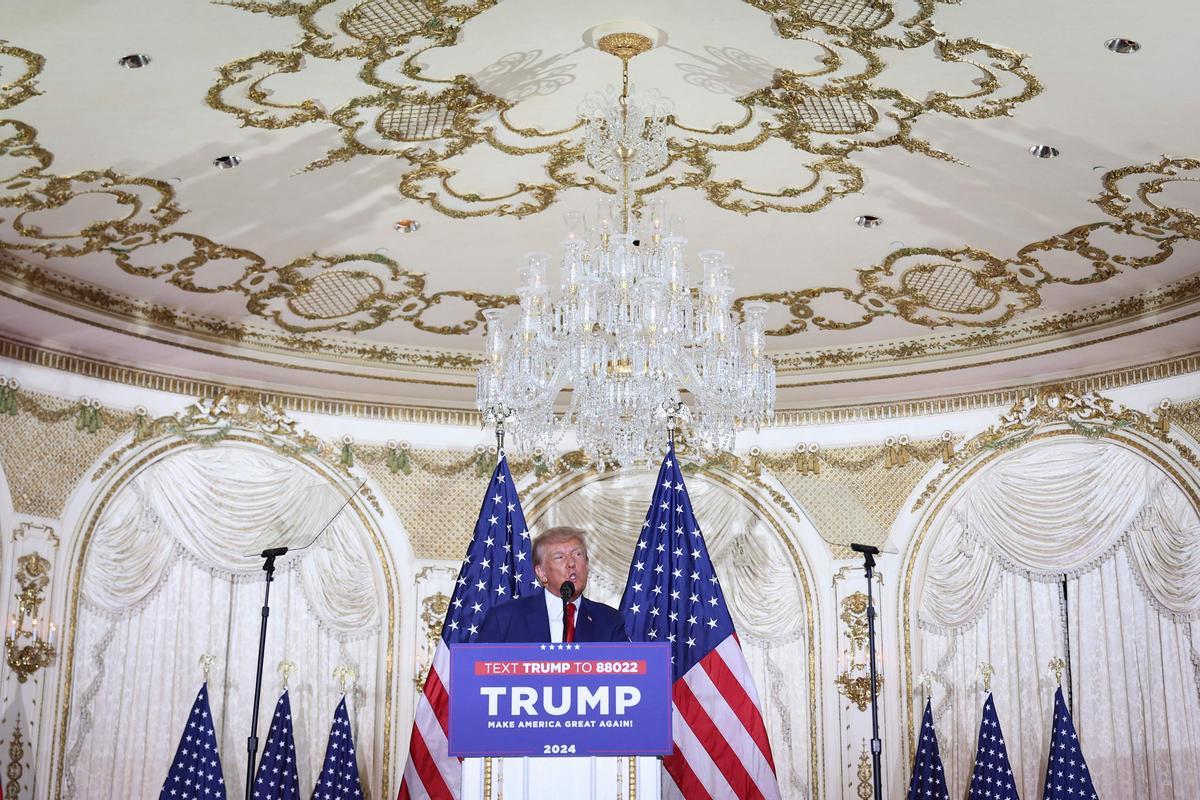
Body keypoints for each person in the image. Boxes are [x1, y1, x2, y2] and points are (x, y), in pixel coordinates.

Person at [476, 526, 627, 643]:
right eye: (560, 557)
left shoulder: (609, 620)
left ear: (586, 565)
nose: (572, 563)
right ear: (541, 573)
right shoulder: (504, 619)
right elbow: (479, 672)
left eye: (577, 554)